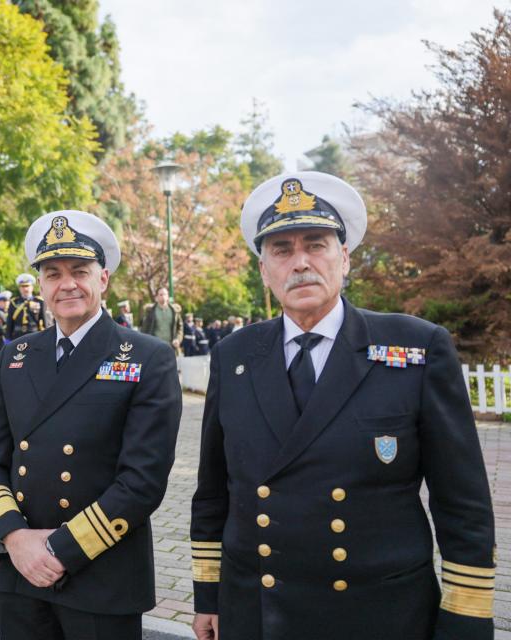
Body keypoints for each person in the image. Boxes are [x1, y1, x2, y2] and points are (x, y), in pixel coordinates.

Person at [190, 171, 496, 640]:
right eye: (281, 250)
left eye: (316, 245)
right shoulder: (234, 356)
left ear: (345, 257)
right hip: (257, 611)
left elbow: (462, 499)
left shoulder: (416, 348)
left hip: (377, 614)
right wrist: (208, 596)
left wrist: (465, 616)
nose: (300, 263)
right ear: (264, 271)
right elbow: (214, 491)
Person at [0, 210, 182, 640]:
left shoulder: (147, 357)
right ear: (41, 286)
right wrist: (14, 538)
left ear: (103, 279)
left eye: (79, 271)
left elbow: (142, 481)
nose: (66, 284)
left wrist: (57, 549)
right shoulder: (15, 356)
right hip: (20, 572)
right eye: (53, 274)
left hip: (101, 574)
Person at [140, 287, 183, 354]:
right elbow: (144, 329)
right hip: (155, 347)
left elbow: (180, 328)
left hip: (171, 347)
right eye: (161, 294)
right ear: (156, 297)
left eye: (165, 294)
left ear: (168, 296)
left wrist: (178, 339)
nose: (163, 296)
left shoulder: (174, 311)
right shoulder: (150, 311)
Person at [6, 273, 46, 340]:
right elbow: (9, 322)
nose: (25, 289)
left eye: (27, 286)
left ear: (32, 287)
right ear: (19, 288)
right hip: (17, 336)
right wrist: (8, 338)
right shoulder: (13, 302)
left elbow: (45, 321)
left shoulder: (39, 301)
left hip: (35, 336)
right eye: (22, 286)